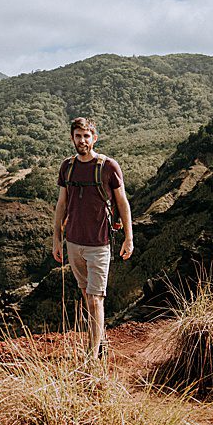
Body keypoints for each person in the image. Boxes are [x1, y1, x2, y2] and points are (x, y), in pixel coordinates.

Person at [50, 116, 134, 361]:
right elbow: (61, 204)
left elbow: (122, 203)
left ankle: (92, 355)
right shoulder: (67, 167)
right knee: (87, 295)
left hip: (99, 245)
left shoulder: (109, 167)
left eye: (87, 136)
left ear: (94, 138)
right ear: (72, 138)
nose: (82, 140)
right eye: (78, 136)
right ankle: (99, 339)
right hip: (74, 243)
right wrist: (57, 239)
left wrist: (129, 238)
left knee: (96, 298)